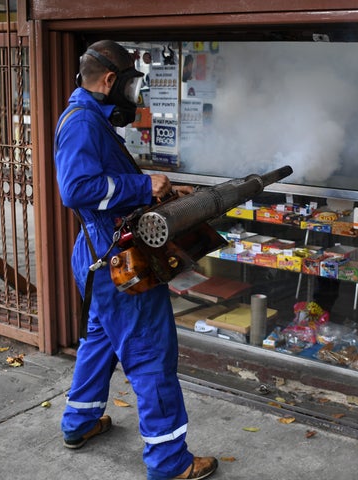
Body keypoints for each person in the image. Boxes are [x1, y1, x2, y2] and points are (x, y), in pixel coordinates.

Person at [54, 39, 218, 480]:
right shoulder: (82, 123)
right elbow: (77, 190)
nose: (135, 95)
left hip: (97, 257)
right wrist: (145, 188)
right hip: (115, 262)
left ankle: (79, 422)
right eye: (129, 85)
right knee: (149, 355)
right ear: (110, 81)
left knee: (99, 341)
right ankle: (169, 462)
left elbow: (104, 184)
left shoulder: (89, 118)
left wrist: (163, 194)